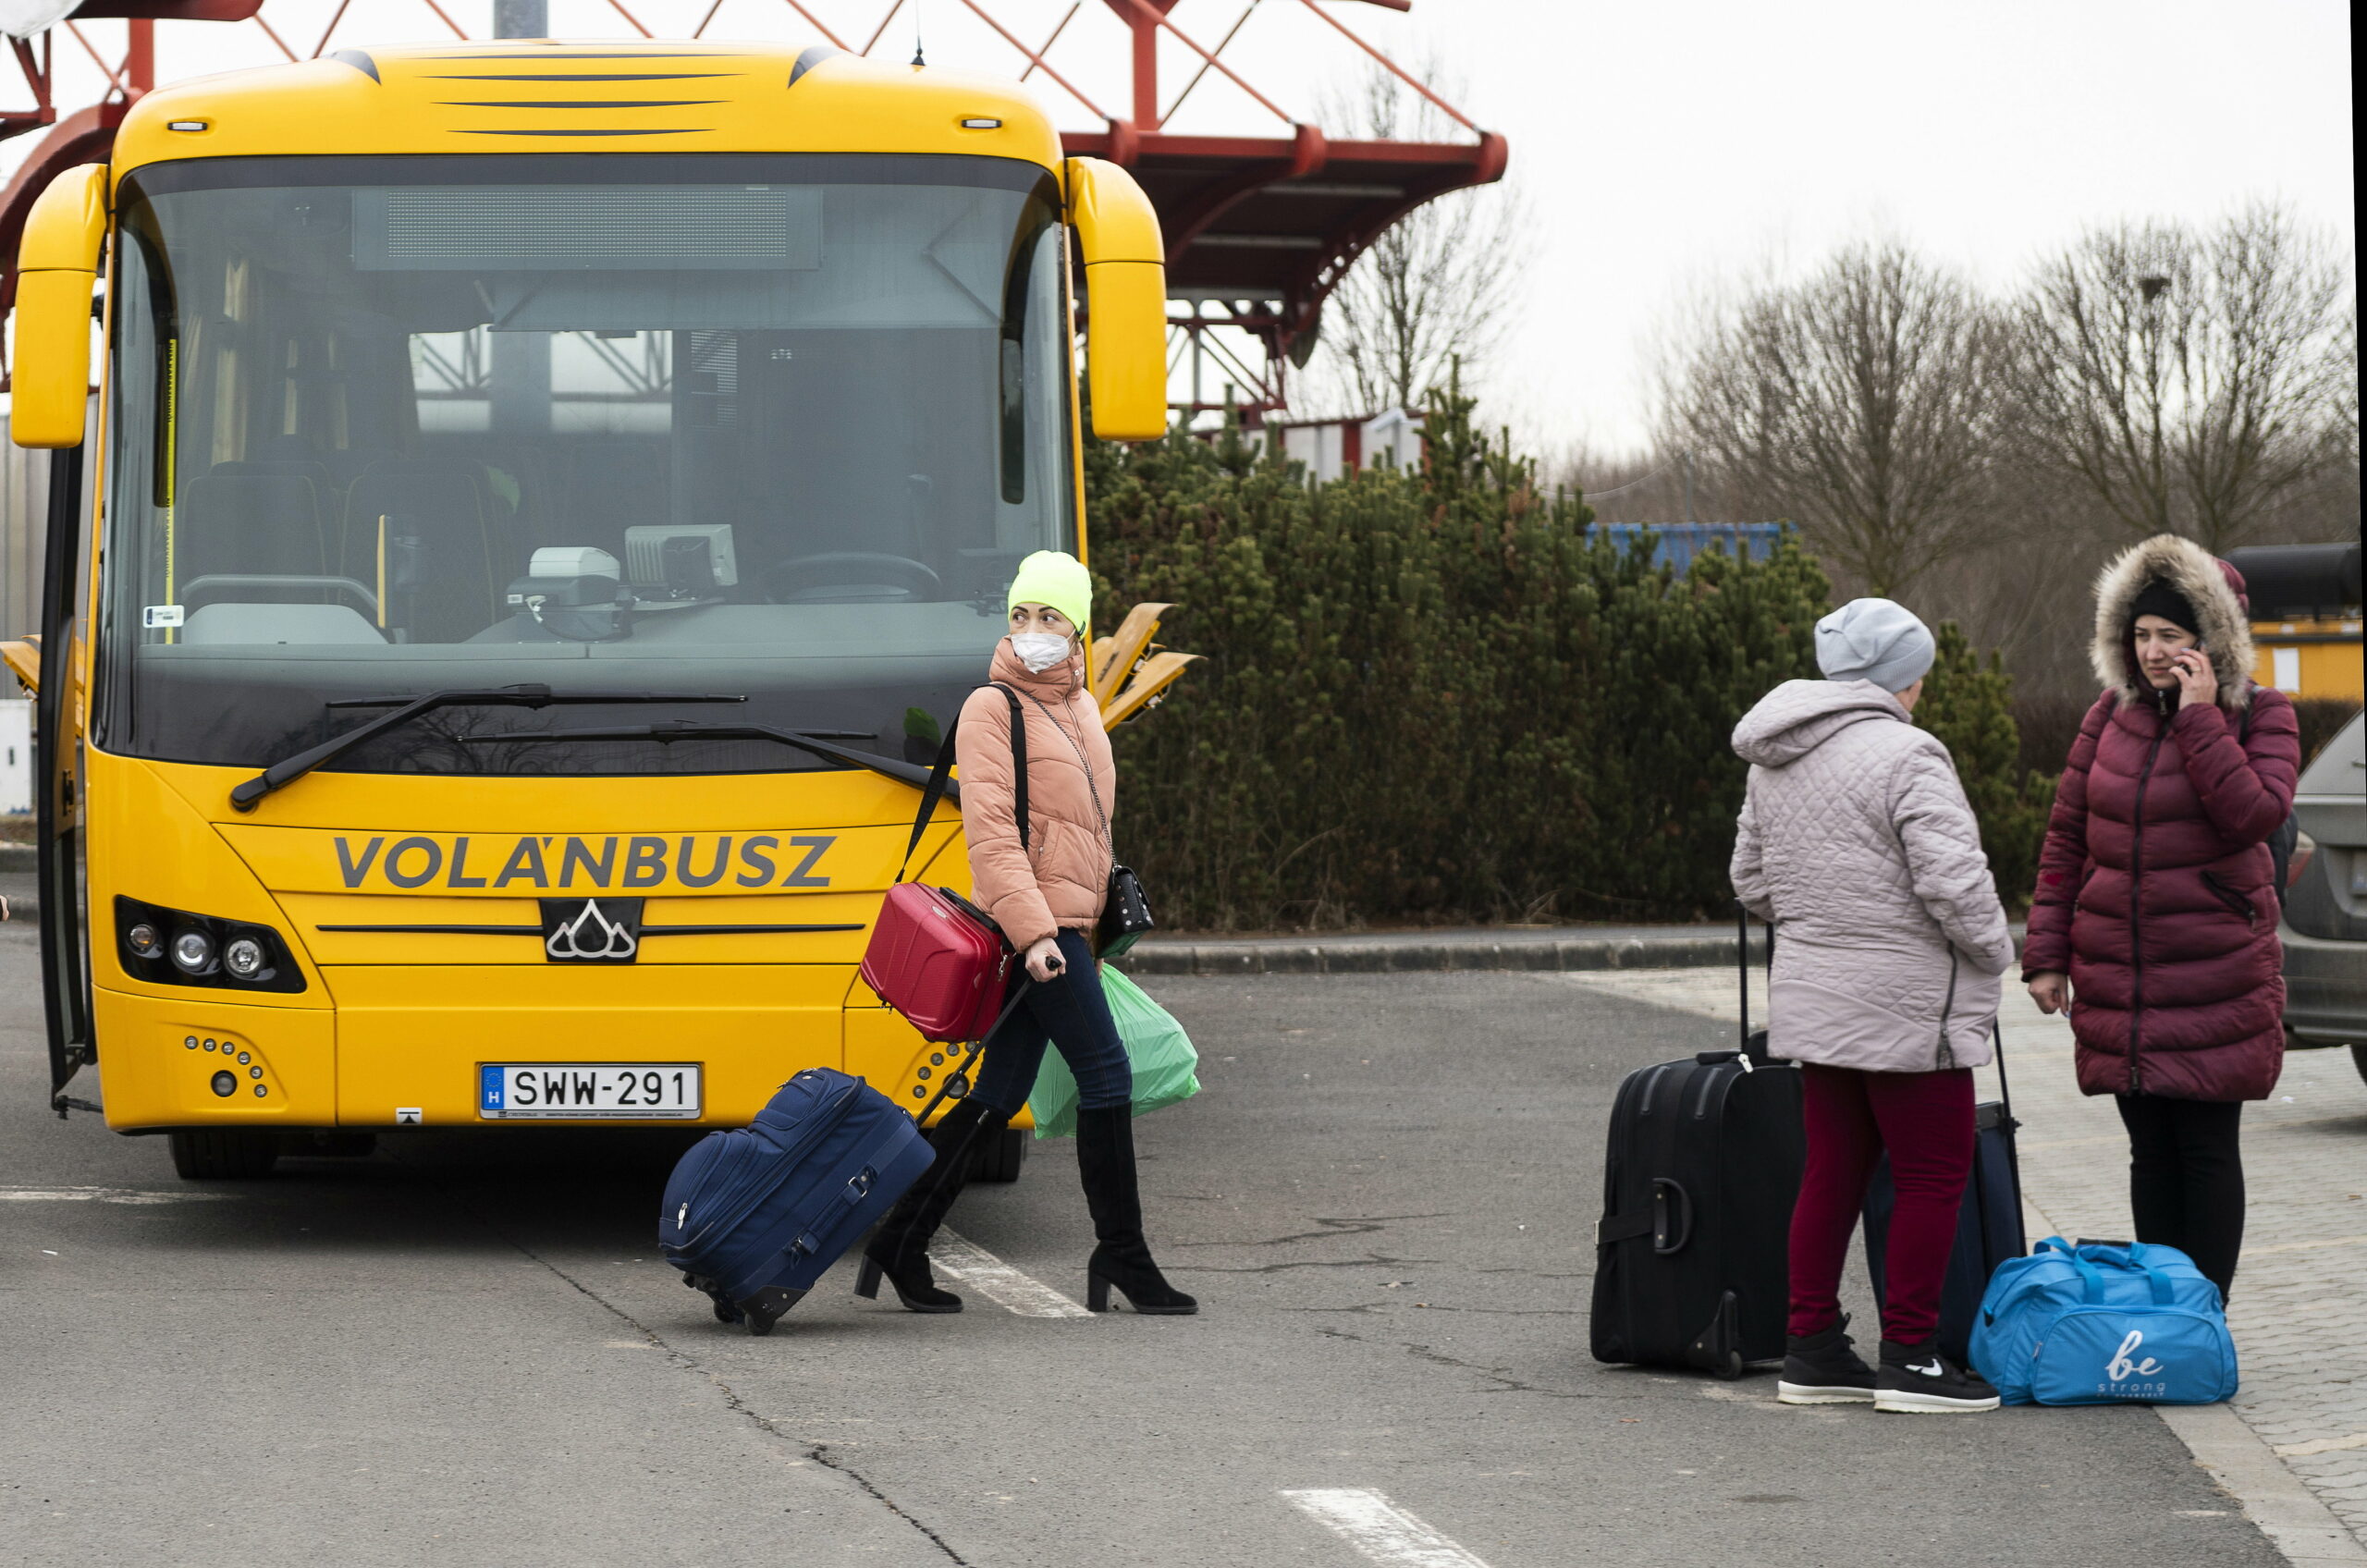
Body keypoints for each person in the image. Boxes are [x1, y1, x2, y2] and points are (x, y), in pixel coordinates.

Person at [855, 550, 1196, 1317]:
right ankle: (1123, 1258)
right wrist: (1040, 934)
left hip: (1066, 928)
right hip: (1032, 934)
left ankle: (901, 1243)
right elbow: (993, 837)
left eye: (1049, 617)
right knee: (1106, 1075)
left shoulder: (1075, 707)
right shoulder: (993, 707)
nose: (1032, 631)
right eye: (1020, 615)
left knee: (997, 1091)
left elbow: (1083, 828)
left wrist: (1095, 919)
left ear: (1077, 627)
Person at [1731, 597, 2017, 1414]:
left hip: (1818, 1000)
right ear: (1906, 676)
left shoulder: (1776, 753)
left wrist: (1825, 923)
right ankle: (1914, 1358)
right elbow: (1953, 885)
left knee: (1832, 1171)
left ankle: (1812, 1347)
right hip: (1907, 1005)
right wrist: (1998, 949)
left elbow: (1750, 882)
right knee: (1932, 1174)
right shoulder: (1911, 753)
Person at [2022, 535, 2299, 1304]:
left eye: (2172, 637)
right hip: (2121, 975)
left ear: (2213, 642)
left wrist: (2201, 718)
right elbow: (2066, 839)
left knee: (2206, 1150)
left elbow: (2253, 813)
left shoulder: (2263, 716)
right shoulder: (2107, 717)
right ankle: (2161, 1314)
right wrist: (2046, 954)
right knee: (2150, 1151)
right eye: (2141, 635)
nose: (2152, 652)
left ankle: (2202, 1316)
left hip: (2214, 975)